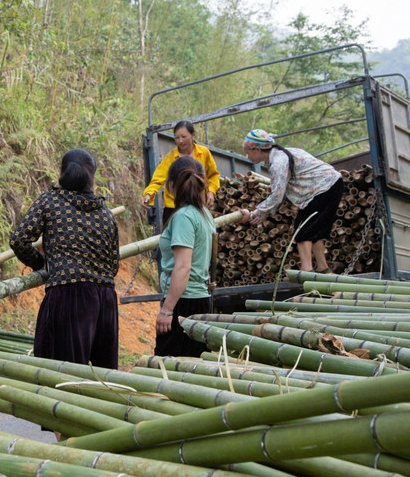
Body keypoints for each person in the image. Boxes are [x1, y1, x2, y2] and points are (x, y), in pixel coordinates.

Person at [10, 148, 120, 369]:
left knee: (61, 375)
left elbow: (19, 240)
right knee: (104, 378)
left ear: (62, 173)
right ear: (92, 177)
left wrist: (42, 264)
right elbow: (114, 265)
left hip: (68, 297)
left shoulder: (49, 201)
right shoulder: (106, 214)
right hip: (106, 301)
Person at [239, 129, 345, 273]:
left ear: (257, 150)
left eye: (248, 152)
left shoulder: (278, 162)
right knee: (314, 229)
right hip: (329, 186)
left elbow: (277, 195)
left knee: (302, 230)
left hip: (324, 187)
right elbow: (280, 194)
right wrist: (264, 213)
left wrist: (254, 213)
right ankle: (323, 268)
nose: (247, 156)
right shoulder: (281, 155)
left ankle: (307, 270)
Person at [155, 156, 217, 358]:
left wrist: (167, 310)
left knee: (168, 364)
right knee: (195, 363)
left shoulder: (183, 217)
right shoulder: (204, 214)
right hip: (200, 300)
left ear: (172, 185)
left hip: (183, 302)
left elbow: (183, 266)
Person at [142, 120, 220, 223]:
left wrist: (211, 191)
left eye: (183, 137)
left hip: (197, 204)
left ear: (193, 135)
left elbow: (213, 175)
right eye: (177, 138)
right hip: (173, 206)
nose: (180, 141)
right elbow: (158, 179)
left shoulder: (204, 153)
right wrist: (148, 194)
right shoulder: (170, 157)